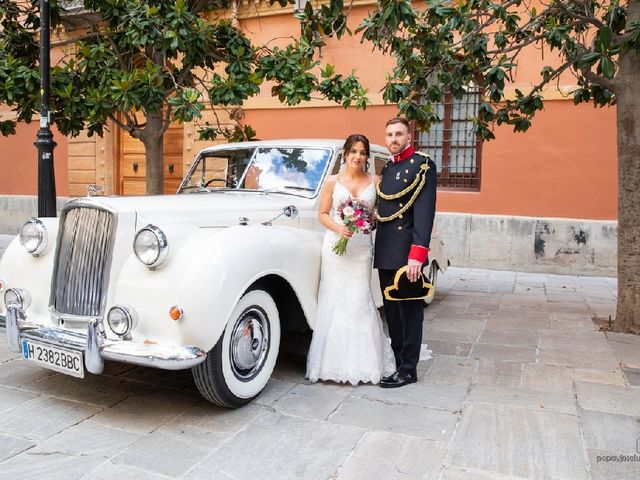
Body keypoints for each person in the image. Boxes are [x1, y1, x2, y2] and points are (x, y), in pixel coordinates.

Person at [306, 134, 396, 385]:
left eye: (362, 152)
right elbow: (323, 214)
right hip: (336, 247)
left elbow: (381, 212)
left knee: (359, 299)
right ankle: (330, 364)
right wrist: (339, 229)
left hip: (361, 250)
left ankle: (366, 364)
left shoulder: (375, 181)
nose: (358, 156)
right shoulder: (332, 182)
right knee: (334, 300)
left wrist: (370, 220)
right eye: (353, 151)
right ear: (345, 154)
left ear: (367, 157)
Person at [375, 117, 437, 388]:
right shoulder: (388, 168)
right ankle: (398, 362)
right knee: (392, 312)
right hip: (386, 249)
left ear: (409, 137)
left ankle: (409, 369)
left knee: (409, 312)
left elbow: (424, 213)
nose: (393, 139)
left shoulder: (422, 165)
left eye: (398, 134)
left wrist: (417, 255)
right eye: (389, 134)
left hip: (407, 253)